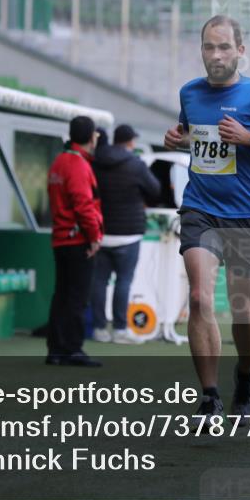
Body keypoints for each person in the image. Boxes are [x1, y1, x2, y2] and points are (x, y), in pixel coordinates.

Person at [164, 15, 250, 428]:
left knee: (243, 308)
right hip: (199, 208)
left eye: (224, 47)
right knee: (201, 298)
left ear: (240, 50)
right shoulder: (190, 92)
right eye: (209, 47)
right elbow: (195, 135)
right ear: (202, 50)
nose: (216, 54)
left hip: (246, 215)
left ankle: (245, 376)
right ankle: (209, 396)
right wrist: (179, 139)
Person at [91, 123, 161, 344]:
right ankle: (120, 329)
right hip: (128, 233)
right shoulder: (135, 164)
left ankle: (99, 328)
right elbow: (155, 190)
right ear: (130, 141)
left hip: (101, 231)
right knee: (123, 282)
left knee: (99, 282)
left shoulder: (95, 162)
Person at [45, 116, 103, 367]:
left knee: (62, 295)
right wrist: (94, 237)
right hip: (77, 239)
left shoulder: (59, 161)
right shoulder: (78, 165)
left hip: (61, 238)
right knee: (77, 297)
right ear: (91, 137)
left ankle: (56, 350)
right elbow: (84, 205)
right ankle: (72, 349)